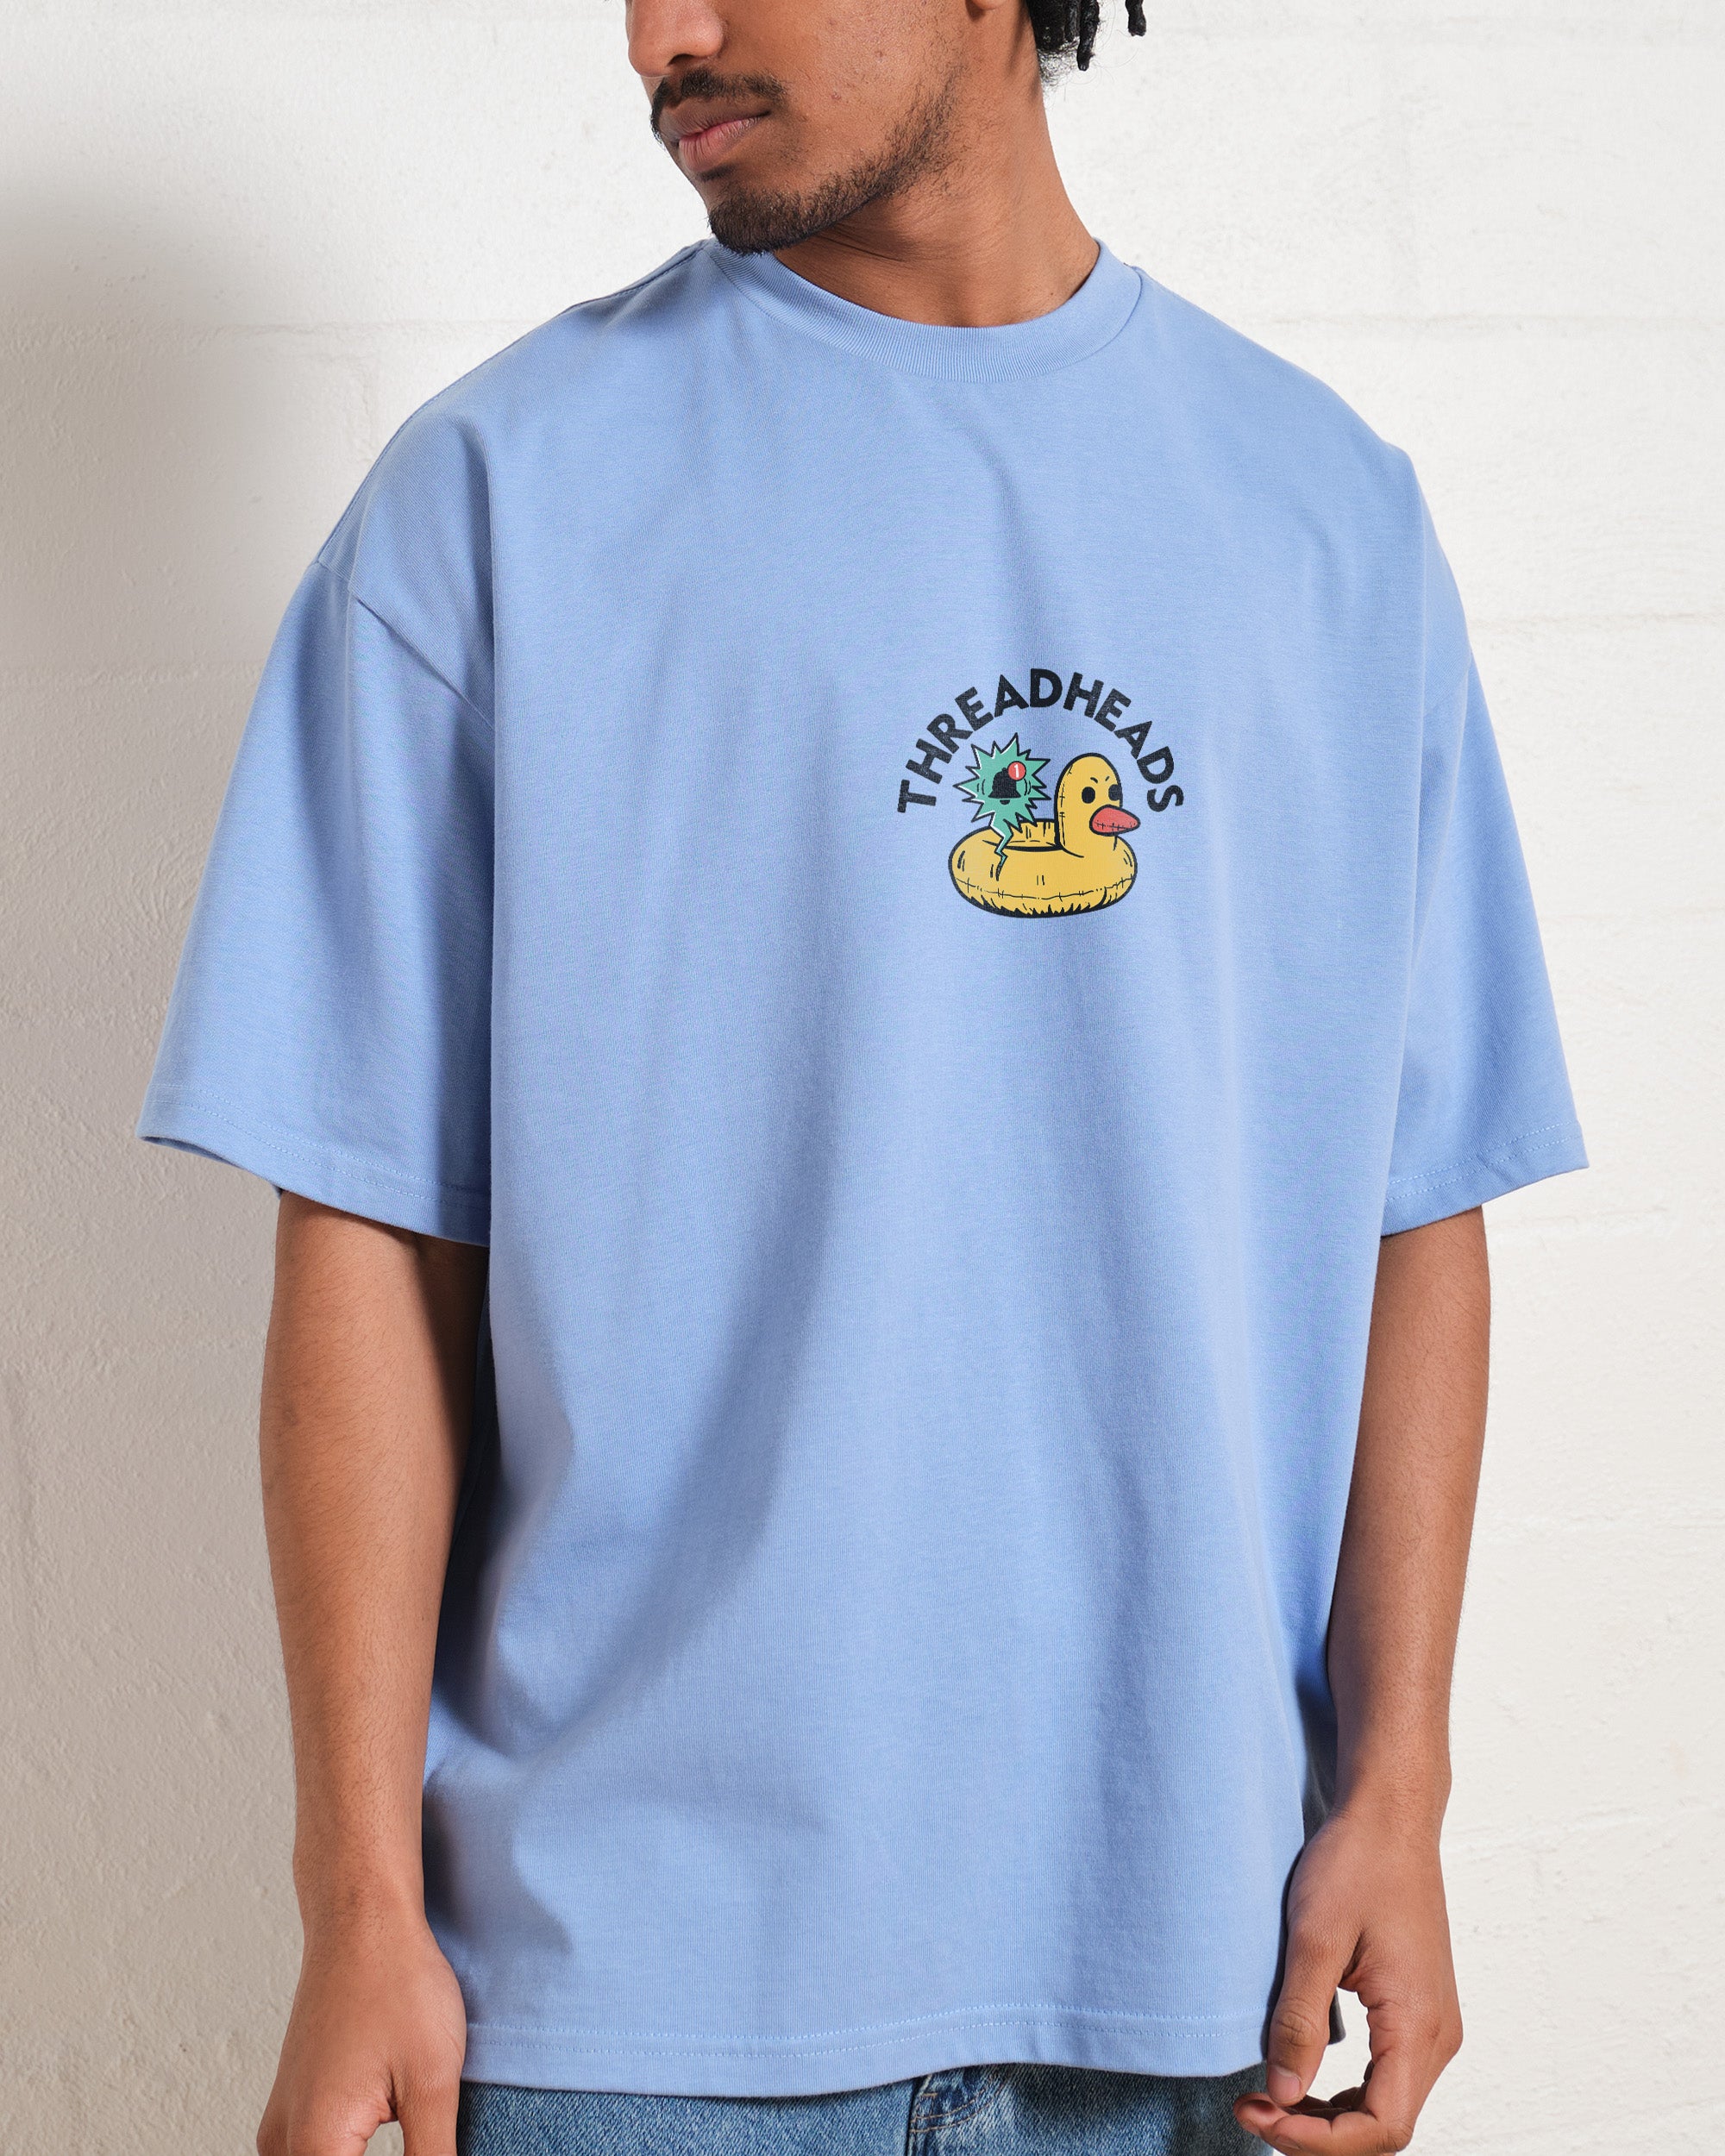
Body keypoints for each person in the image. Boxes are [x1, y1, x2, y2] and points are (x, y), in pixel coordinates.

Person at [138, 1, 1587, 2151]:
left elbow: (1412, 1203)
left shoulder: (1325, 518)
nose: (665, 33)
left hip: (1200, 1979)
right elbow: (368, 1236)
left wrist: (1400, 1790)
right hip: (621, 2003)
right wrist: (356, 1895)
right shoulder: (494, 500)